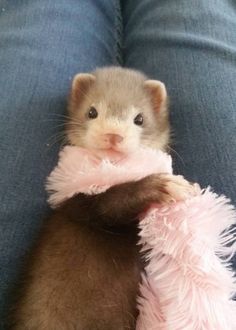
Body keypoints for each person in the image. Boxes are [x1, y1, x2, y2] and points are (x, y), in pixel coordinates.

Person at [0, 0, 235, 327]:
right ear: (78, 102)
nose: (113, 132)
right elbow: (101, 212)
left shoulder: (80, 191)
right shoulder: (80, 186)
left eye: (138, 120)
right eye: (93, 113)